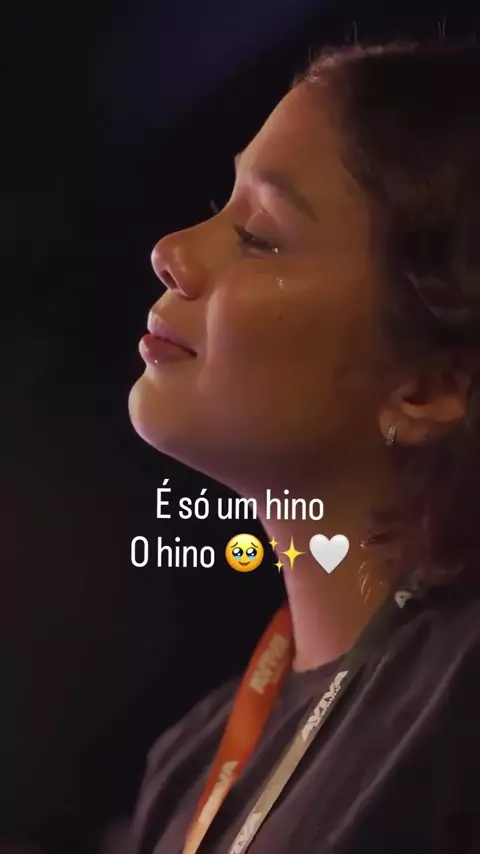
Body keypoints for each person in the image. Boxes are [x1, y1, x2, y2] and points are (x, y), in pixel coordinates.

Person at [127, 38, 480, 854]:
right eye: (222, 205)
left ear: (430, 386)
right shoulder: (192, 760)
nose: (171, 251)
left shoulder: (459, 716)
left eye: (260, 237)